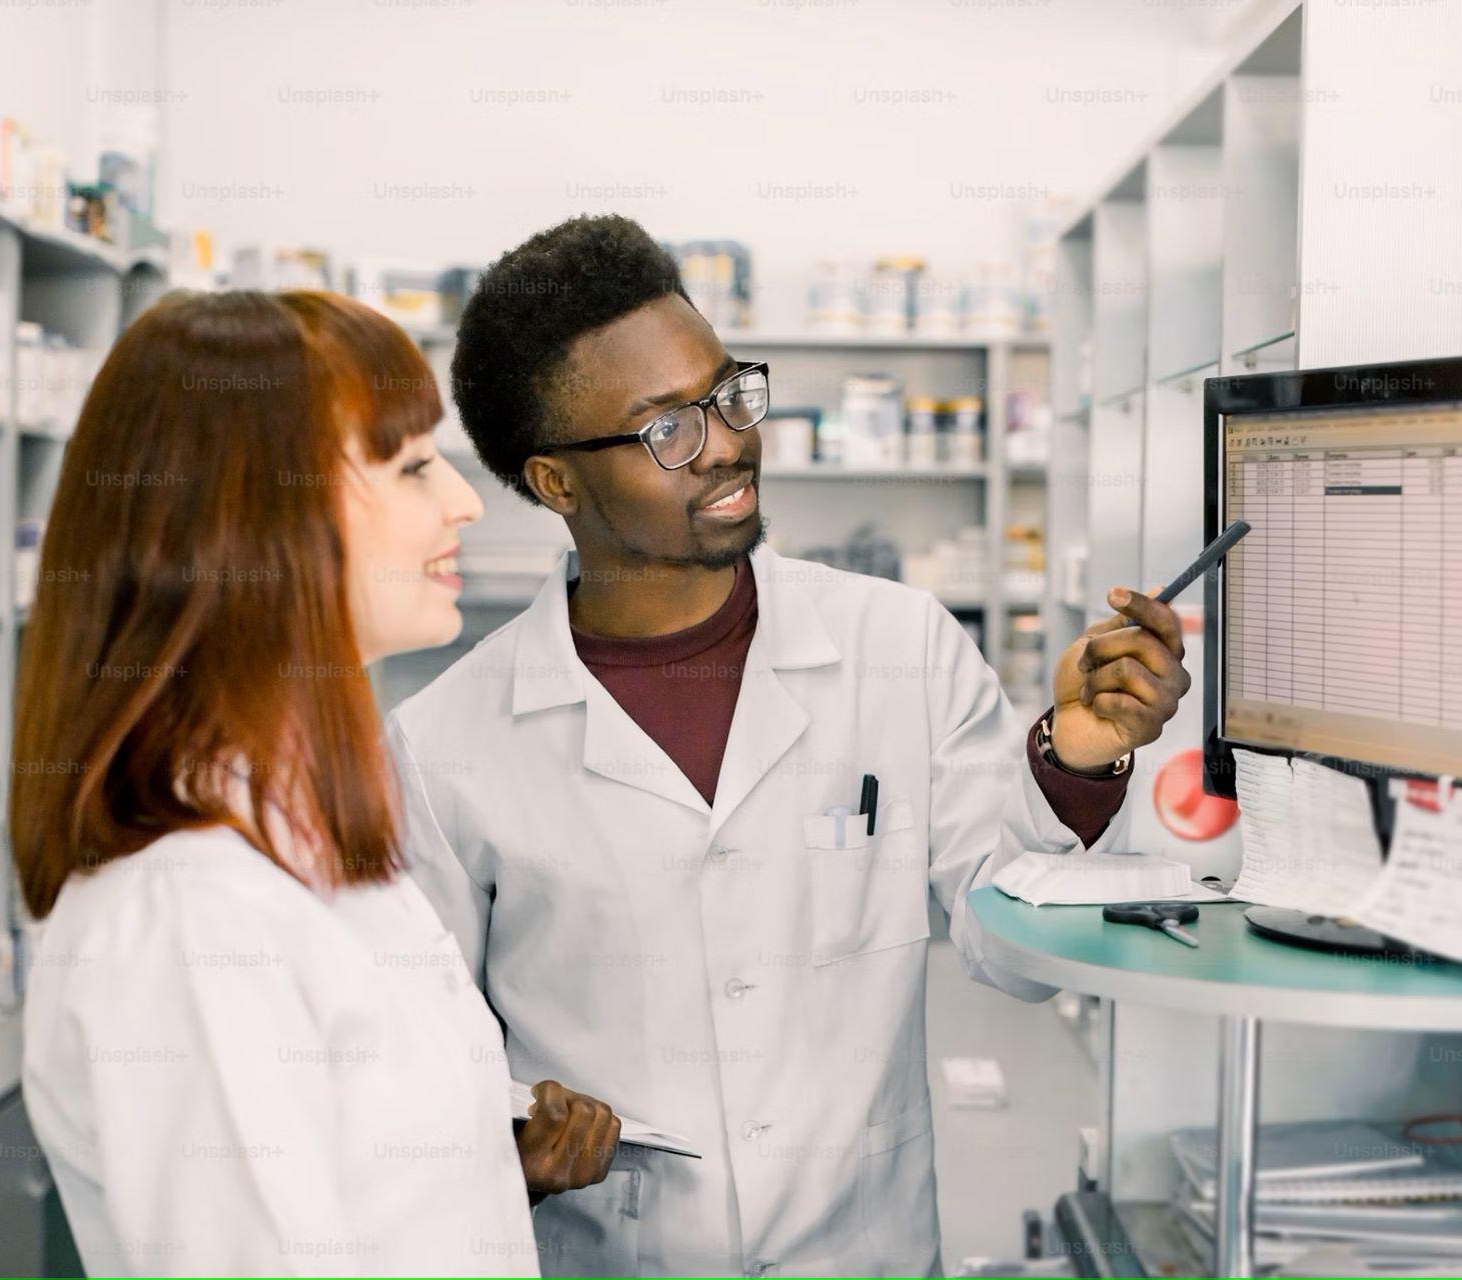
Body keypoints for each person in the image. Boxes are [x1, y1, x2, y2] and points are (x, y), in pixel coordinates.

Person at [390, 215, 1188, 1277]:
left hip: (862, 1246)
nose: (725, 440)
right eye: (666, 427)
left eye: (726, 392)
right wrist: (514, 1134)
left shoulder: (896, 644)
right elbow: (426, 1054)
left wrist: (1075, 759)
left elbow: (1009, 950)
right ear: (555, 482)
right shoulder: (446, 743)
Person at [12, 291, 617, 1277]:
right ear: (258, 515)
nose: (465, 500)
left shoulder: (305, 844)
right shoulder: (192, 915)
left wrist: (484, 1156)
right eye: (415, 465)